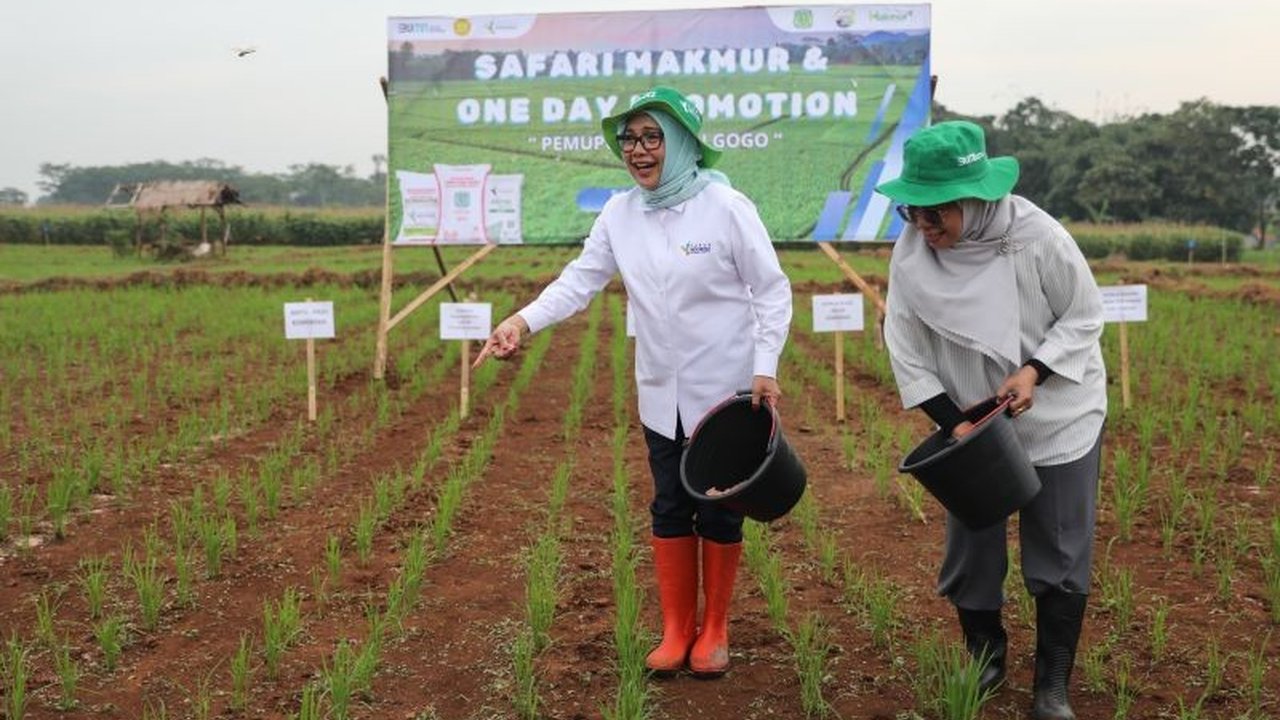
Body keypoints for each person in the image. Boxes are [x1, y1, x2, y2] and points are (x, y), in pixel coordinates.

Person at [474, 86, 793, 677]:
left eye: (652, 138)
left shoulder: (726, 208)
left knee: (721, 512)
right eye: (629, 139)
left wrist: (765, 364)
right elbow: (579, 281)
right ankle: (676, 630)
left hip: (725, 393)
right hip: (660, 393)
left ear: (683, 144)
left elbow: (771, 290)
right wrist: (520, 320)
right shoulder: (620, 213)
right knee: (670, 504)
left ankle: (715, 630)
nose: (638, 150)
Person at [876, 121, 1106, 720]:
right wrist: (955, 423)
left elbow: (1084, 316)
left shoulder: (1038, 237)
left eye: (938, 215)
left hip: (1056, 409)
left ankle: (1051, 685)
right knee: (973, 545)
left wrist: (1033, 372)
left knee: (1058, 547)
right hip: (974, 421)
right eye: (912, 213)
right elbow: (904, 344)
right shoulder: (912, 250)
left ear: (976, 199)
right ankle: (986, 660)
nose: (924, 229)